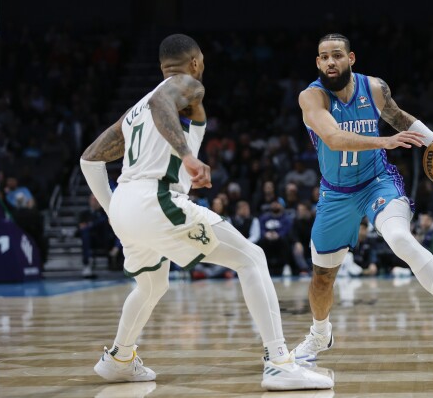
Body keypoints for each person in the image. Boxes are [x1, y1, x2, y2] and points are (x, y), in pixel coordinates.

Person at [79, 34, 332, 391]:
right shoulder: (185, 85)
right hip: (157, 198)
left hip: (126, 204)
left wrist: (114, 213)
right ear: (196, 62)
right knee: (252, 258)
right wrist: (187, 155)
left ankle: (120, 358)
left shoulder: (135, 108)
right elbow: (162, 105)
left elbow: (89, 158)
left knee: (152, 284)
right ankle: (279, 363)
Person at [292, 33, 433, 362]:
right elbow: (333, 137)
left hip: (377, 182)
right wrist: (383, 142)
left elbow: (399, 118)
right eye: (324, 57)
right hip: (337, 193)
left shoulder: (373, 88)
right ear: (317, 62)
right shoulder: (312, 98)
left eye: (337, 55)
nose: (331, 61)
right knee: (322, 278)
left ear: (351, 58)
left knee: (400, 238)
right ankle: (319, 335)